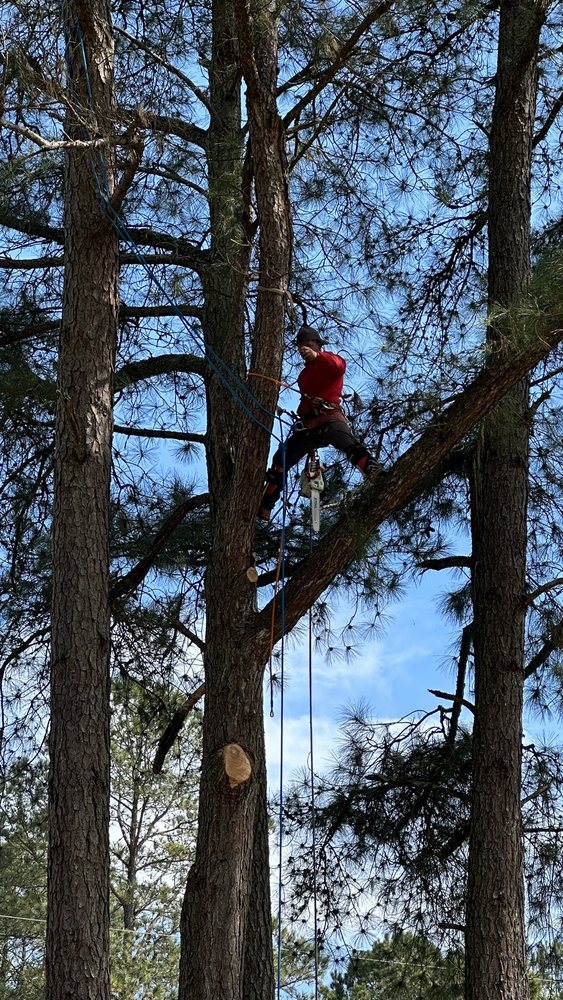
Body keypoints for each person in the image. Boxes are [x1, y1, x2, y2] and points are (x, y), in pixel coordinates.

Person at [257, 325, 380, 520]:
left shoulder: (330, 361)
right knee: (281, 459)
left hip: (330, 418)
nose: (302, 350)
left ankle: (375, 473)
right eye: (300, 347)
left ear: (318, 345)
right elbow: (306, 401)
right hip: (310, 426)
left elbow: (338, 366)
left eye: (307, 345)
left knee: (350, 445)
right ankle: (266, 503)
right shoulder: (304, 376)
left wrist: (317, 357)